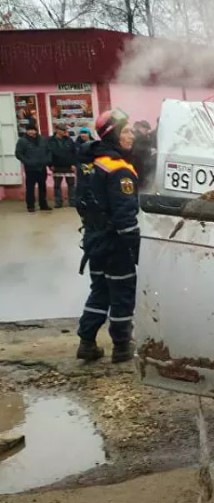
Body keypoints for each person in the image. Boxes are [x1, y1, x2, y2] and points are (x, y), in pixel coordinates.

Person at [75, 109, 140, 364]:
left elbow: (80, 202)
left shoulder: (89, 162)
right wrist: (135, 248)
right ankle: (122, 346)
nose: (131, 134)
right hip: (115, 242)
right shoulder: (119, 169)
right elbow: (125, 216)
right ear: (113, 136)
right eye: (126, 131)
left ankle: (87, 342)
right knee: (122, 291)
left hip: (94, 239)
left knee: (99, 290)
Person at [14, 121, 51, 213]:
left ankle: (43, 204)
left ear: (36, 131)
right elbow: (18, 153)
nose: (31, 132)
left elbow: (49, 151)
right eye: (29, 130)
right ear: (26, 131)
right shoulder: (22, 141)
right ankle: (30, 206)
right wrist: (27, 162)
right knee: (30, 187)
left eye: (33, 130)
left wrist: (47, 160)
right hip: (30, 168)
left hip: (42, 167)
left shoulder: (43, 139)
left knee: (42, 187)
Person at [48, 123, 78, 207]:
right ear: (57, 130)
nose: (65, 131)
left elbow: (74, 152)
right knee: (57, 185)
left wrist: (74, 164)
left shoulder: (69, 140)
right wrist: (50, 165)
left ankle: (72, 201)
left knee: (71, 185)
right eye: (63, 130)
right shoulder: (50, 140)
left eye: (65, 130)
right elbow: (48, 153)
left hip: (69, 166)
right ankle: (58, 202)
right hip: (56, 166)